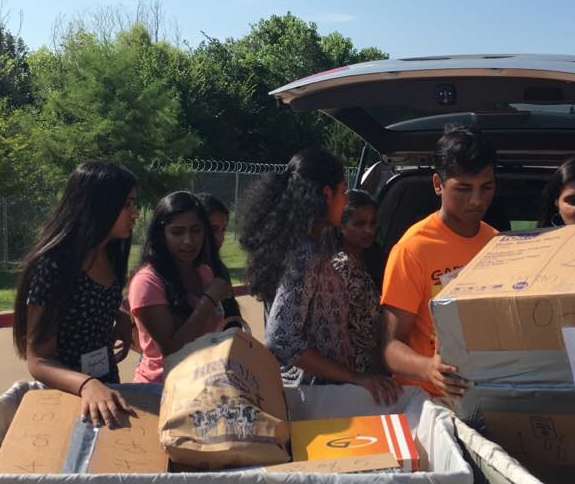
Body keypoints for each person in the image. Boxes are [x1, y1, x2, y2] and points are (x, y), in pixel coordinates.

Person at [238, 148, 400, 404]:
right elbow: (281, 339)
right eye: (343, 192)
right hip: (314, 396)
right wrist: (355, 378)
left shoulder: (299, 245)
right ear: (327, 194)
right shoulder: (305, 255)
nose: (345, 201)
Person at [12, 161, 139, 427]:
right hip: (69, 399)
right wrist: (87, 384)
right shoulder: (54, 266)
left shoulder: (112, 254)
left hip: (106, 389)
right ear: (99, 205)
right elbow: (39, 359)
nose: (135, 214)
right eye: (127, 204)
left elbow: (89, 301)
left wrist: (118, 316)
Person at [381, 124, 497, 398]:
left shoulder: (497, 244)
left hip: (488, 393)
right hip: (427, 400)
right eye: (463, 188)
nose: (477, 200)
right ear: (437, 184)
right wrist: (428, 369)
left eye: (486, 187)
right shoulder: (413, 249)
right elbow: (388, 347)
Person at [127, 191, 233, 383]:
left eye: (196, 230)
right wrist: (209, 299)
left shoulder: (204, 272)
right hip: (162, 390)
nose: (188, 240)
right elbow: (172, 351)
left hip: (205, 384)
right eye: (177, 232)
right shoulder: (147, 282)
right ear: (161, 234)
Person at [326, 189, 382, 375]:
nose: (369, 230)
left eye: (372, 223)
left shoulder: (370, 261)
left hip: (372, 366)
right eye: (359, 224)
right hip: (349, 371)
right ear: (341, 226)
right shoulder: (340, 268)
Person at [195, 192, 243, 328]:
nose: (220, 238)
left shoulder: (220, 270)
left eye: (223, 230)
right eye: (213, 229)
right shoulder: (176, 273)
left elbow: (233, 323)